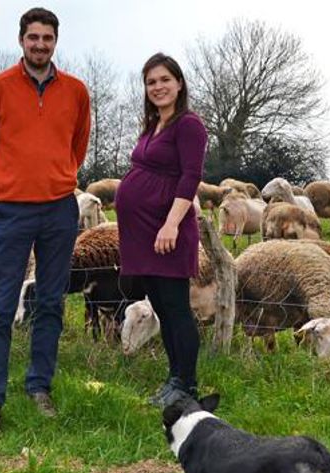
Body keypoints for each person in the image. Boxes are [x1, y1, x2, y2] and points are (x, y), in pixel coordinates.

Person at [0, 7, 91, 434]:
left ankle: (39, 387)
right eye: (33, 37)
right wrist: (9, 181)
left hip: (59, 209)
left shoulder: (76, 91)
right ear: (21, 40)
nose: (40, 44)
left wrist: (57, 176)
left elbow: (78, 145)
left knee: (52, 303)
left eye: (48, 38)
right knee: (1, 305)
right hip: (14, 211)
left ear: (56, 42)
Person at [113, 53, 209, 407]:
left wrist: (171, 222)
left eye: (164, 80)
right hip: (143, 235)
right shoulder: (153, 125)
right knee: (163, 310)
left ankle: (187, 386)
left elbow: (190, 176)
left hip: (166, 230)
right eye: (151, 82)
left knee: (176, 308)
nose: (158, 87)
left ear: (179, 83)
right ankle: (174, 380)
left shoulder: (189, 125)